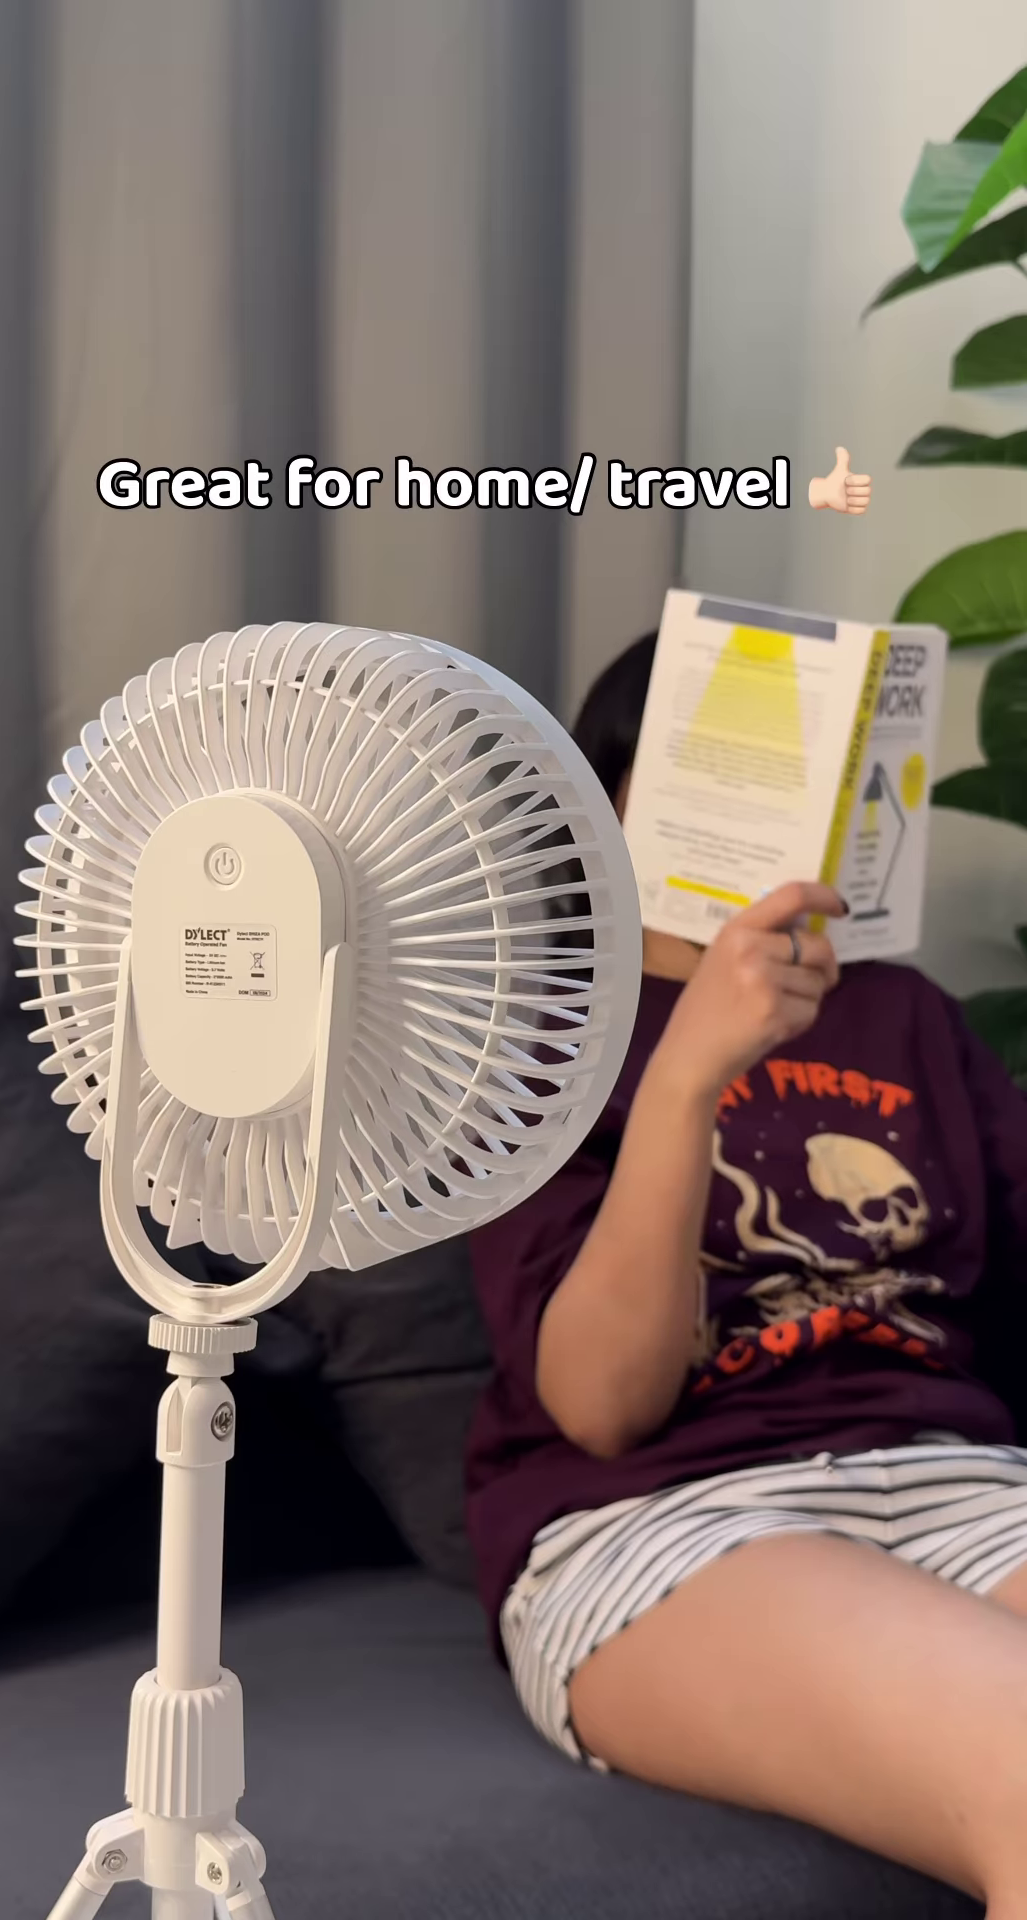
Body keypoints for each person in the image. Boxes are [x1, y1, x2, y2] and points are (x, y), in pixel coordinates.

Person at [464, 631, 1027, 1915]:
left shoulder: (905, 1018)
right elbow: (604, 1405)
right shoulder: (543, 1045)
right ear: (613, 805)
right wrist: (688, 1071)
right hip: (666, 1512)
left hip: (958, 1480)